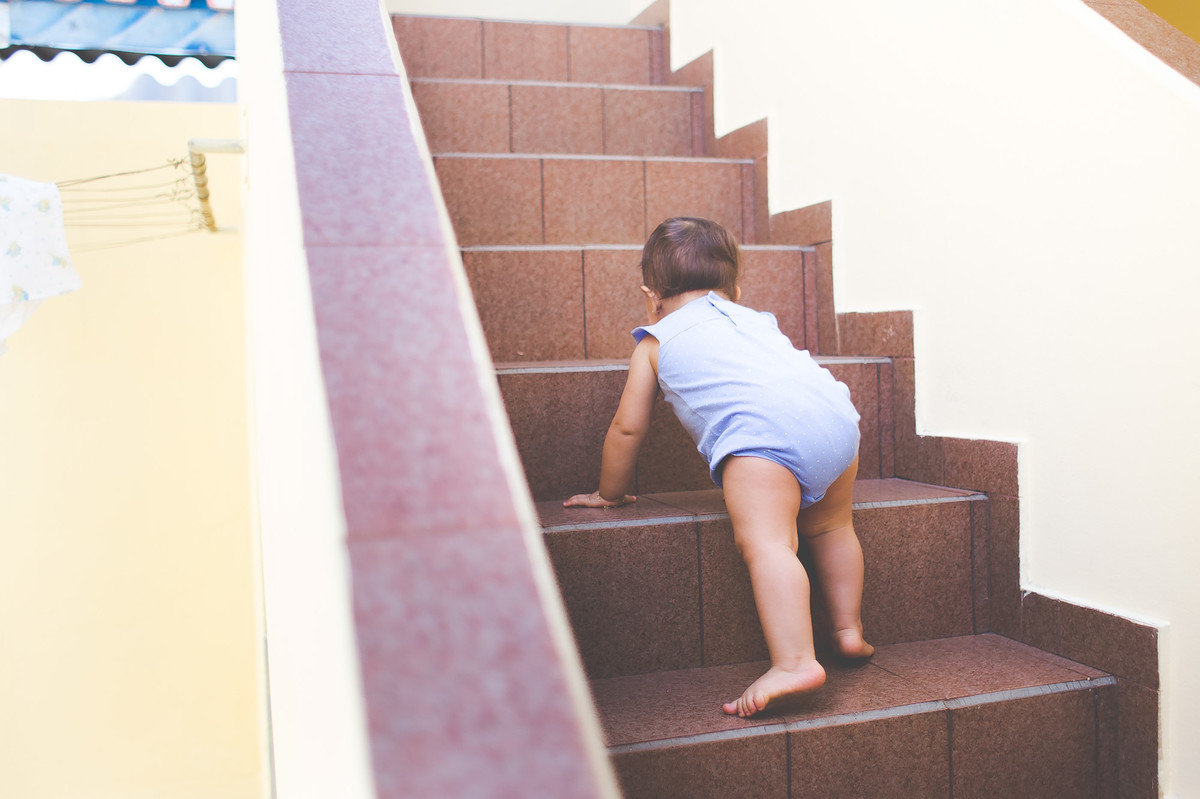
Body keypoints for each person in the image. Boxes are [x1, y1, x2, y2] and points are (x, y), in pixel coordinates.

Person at [563, 217, 873, 718]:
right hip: (837, 420)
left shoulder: (655, 340)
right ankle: (847, 630)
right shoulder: (755, 319)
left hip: (761, 439)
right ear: (733, 287)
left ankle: (795, 660)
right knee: (834, 525)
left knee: (769, 543)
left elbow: (627, 428)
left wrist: (609, 493)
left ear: (651, 297)